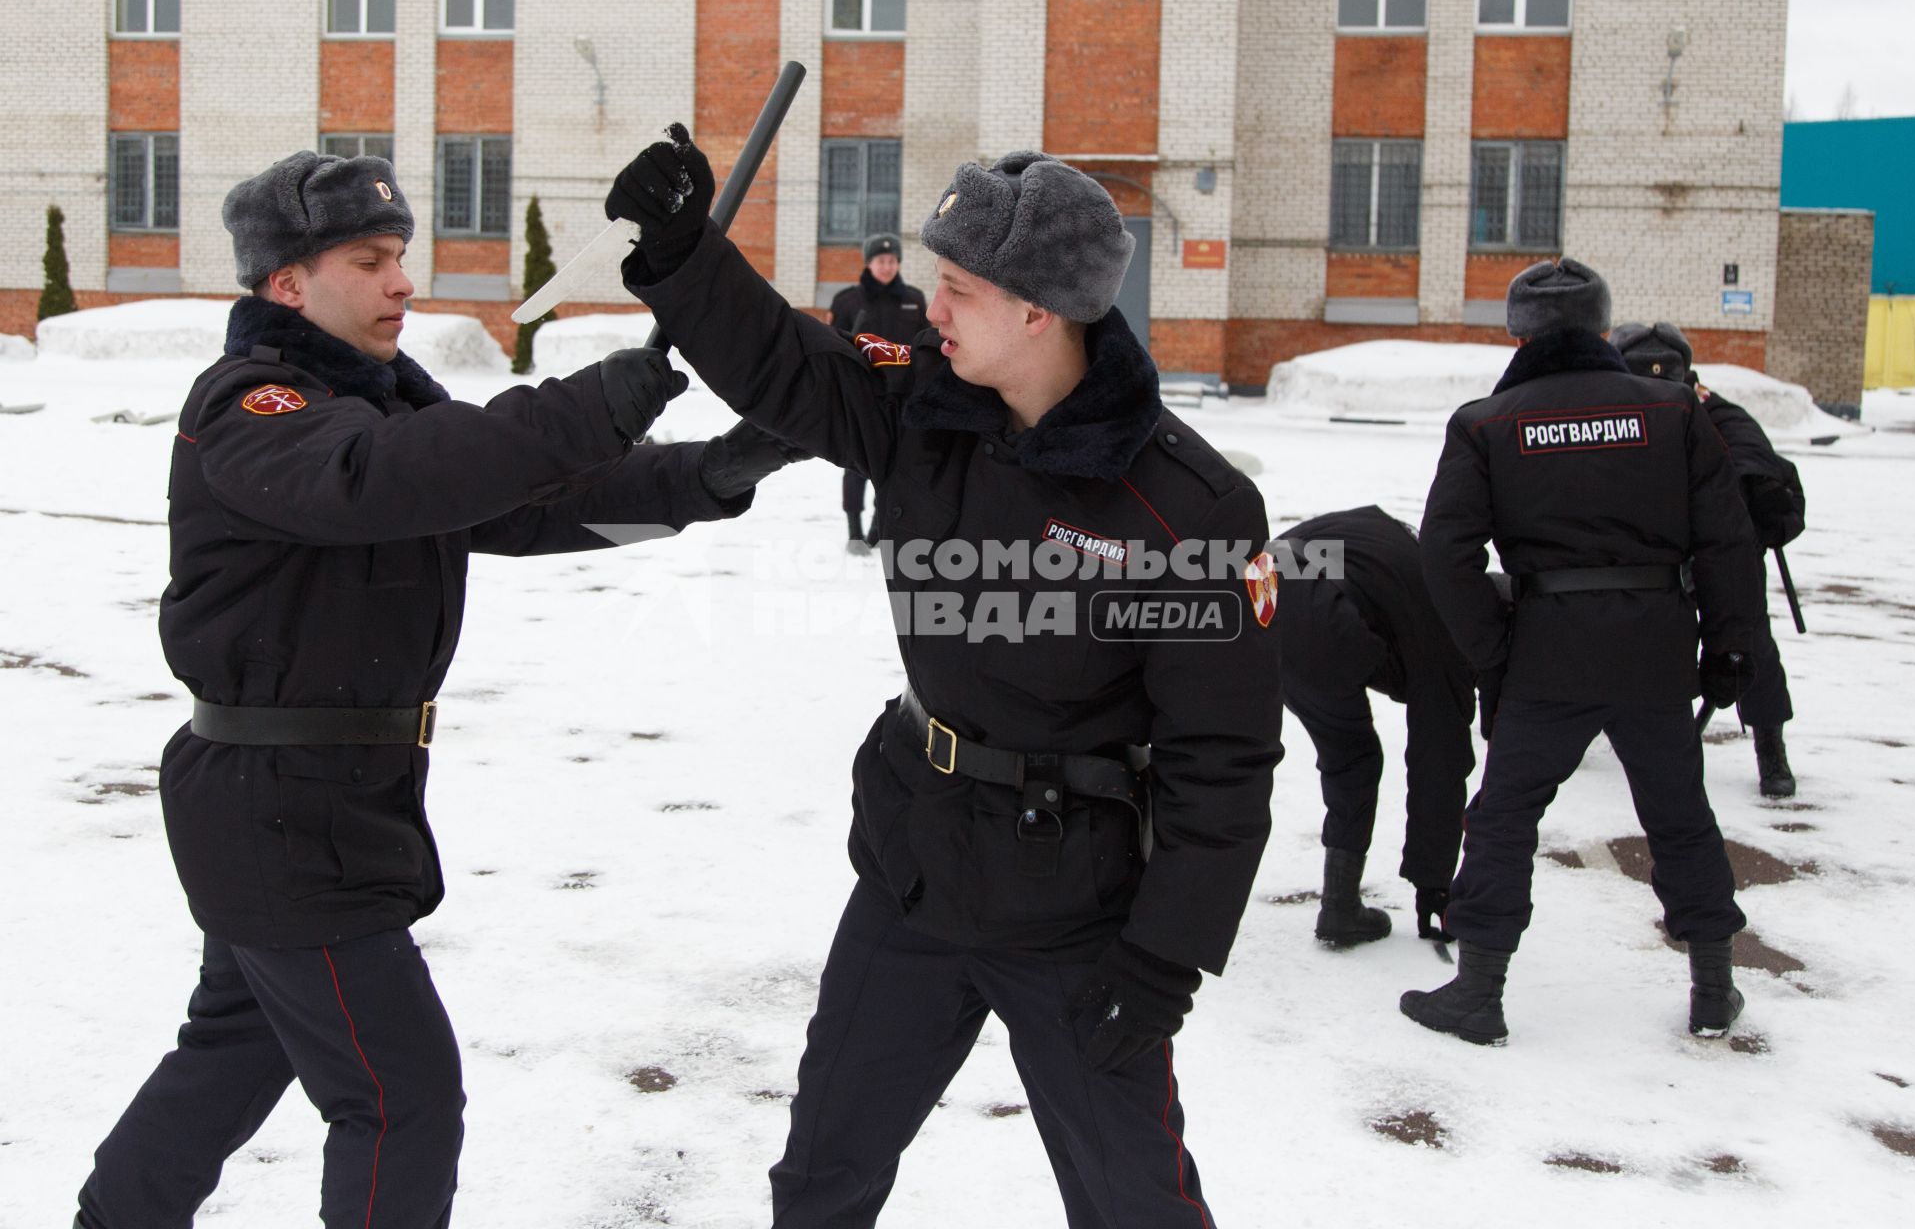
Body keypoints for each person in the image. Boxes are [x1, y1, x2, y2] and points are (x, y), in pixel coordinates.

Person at [75, 151, 798, 1229]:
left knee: (233, 1047)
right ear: (286, 284)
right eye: (369, 260)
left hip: (327, 798)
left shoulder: (386, 407)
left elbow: (526, 504)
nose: (402, 281)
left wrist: (712, 473)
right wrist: (585, 407)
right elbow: (390, 477)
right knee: (401, 1097)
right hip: (277, 808)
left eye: (401, 256)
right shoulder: (255, 408)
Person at [605, 128, 1282, 1226]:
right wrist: (683, 250)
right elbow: (785, 360)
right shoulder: (927, 410)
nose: (932, 312)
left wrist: (1167, 957)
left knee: (1134, 1199)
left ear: (1038, 312)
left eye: (958, 289)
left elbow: (1225, 756)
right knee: (824, 1164)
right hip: (915, 866)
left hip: (1074, 907)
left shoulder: (1187, 508)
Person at [1404, 259, 1765, 1047]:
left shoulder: (1488, 422)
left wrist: (1492, 649)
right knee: (1680, 816)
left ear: (1517, 333)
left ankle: (1478, 990)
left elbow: (1445, 553)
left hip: (1545, 650)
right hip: (1655, 648)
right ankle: (1713, 986)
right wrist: (1730, 647)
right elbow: (1728, 542)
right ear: (1605, 329)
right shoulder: (1672, 410)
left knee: (1503, 819)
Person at [1613, 321, 1806, 798]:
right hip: (1642, 554)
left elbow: (1750, 456)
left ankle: (1770, 745)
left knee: (1750, 641)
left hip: (1719, 552)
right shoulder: (1612, 413)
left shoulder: (1716, 413)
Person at [1267, 506, 1475, 946]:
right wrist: (1433, 883)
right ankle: (1340, 908)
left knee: (1343, 756)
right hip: (1315, 615)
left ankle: (1340, 908)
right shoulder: (1442, 621)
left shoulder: (1374, 532)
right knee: (1354, 759)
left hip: (1256, 599)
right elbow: (1438, 758)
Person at [828, 233, 927, 552]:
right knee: (856, 464)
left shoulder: (913, 299)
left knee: (893, 467)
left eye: (892, 260)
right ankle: (855, 533)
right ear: (869, 263)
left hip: (901, 398)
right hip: (860, 398)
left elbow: (921, 348)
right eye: (881, 260)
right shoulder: (847, 302)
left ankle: (877, 529)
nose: (887, 266)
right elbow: (832, 348)